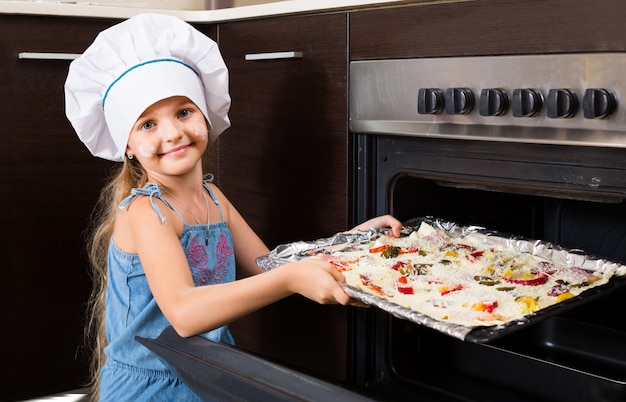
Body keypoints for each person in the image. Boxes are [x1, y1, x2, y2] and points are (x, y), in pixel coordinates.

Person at [64, 13, 401, 401]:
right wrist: (291, 280)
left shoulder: (212, 197)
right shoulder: (144, 213)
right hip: (150, 389)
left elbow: (268, 264)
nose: (172, 132)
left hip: (209, 371)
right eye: (147, 124)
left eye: (184, 112)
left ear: (206, 113)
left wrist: (348, 245)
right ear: (127, 145)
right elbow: (185, 313)